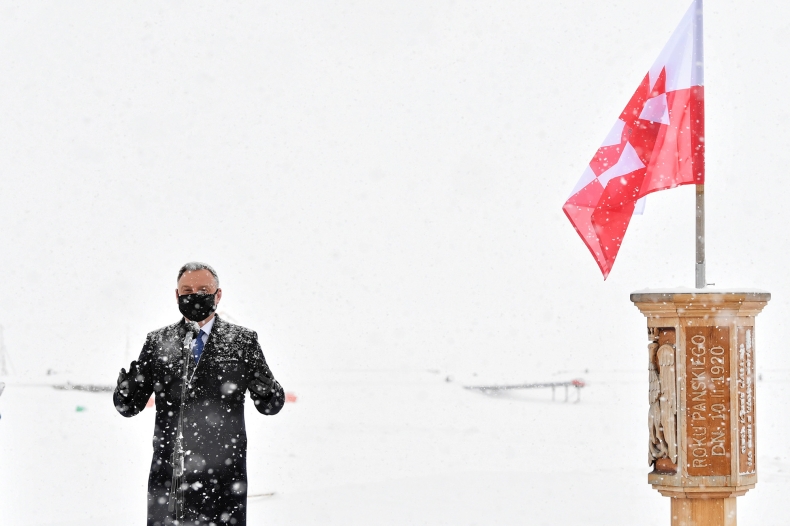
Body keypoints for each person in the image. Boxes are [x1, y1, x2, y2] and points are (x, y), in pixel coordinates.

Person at [114, 262, 284, 526]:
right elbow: (129, 408)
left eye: (203, 289)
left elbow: (271, 405)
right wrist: (125, 393)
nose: (194, 295)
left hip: (224, 477)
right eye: (187, 290)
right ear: (176, 295)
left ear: (218, 295)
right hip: (170, 477)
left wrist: (268, 392)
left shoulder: (242, 341)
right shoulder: (158, 342)